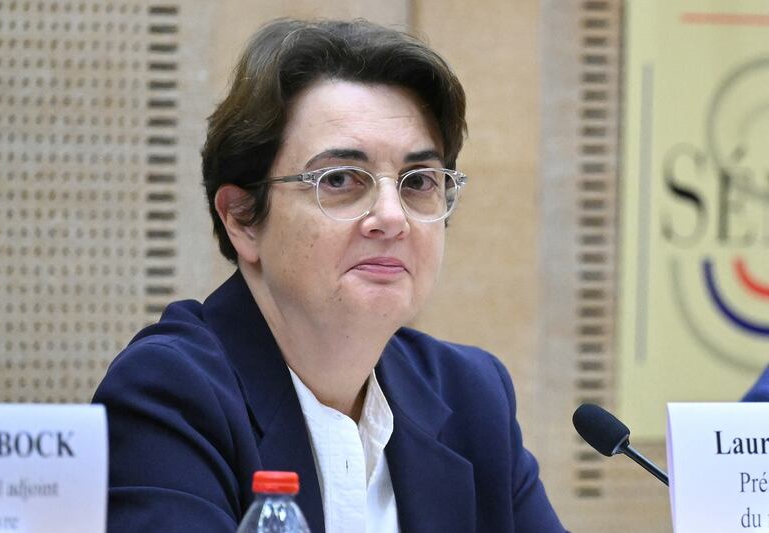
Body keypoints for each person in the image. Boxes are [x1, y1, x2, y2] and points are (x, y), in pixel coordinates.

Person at [93, 18, 567, 532]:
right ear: (242, 219)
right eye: (340, 179)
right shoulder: (170, 395)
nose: (392, 217)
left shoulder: (470, 397)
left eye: (419, 182)